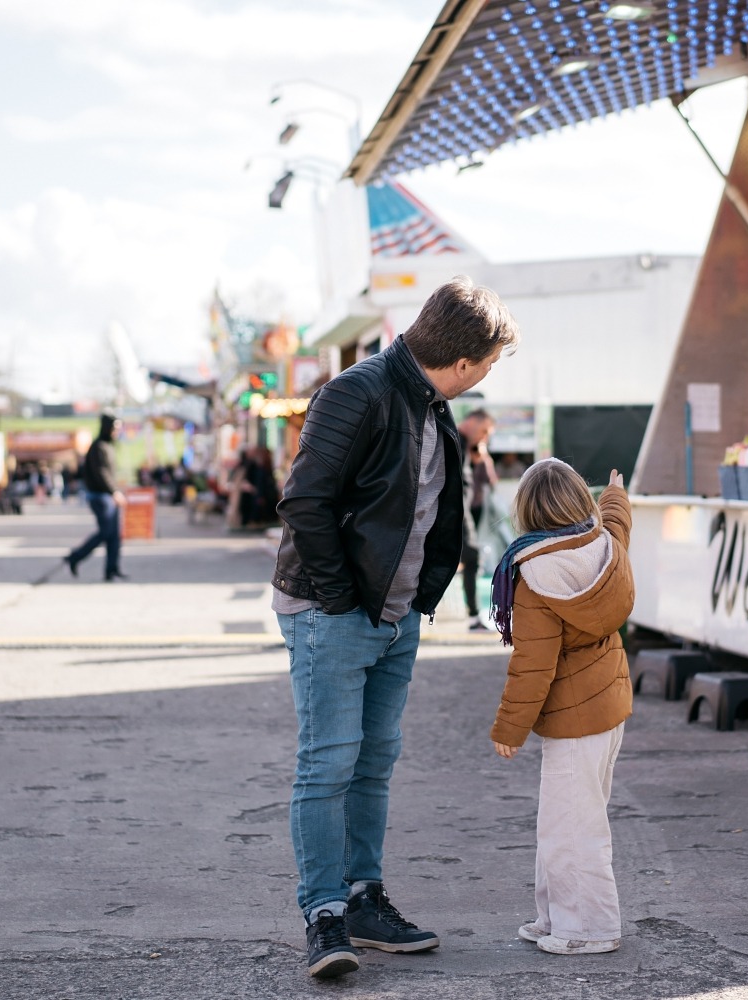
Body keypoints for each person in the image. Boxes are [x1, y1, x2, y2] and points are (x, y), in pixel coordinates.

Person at [271, 276, 519, 979]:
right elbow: (304, 503)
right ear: (467, 361)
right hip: (334, 613)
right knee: (327, 763)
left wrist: (413, 605)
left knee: (374, 761)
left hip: (396, 615)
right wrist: (345, 600)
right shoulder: (358, 391)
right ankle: (324, 915)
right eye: (492, 364)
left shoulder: (429, 402)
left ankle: (362, 899)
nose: (488, 378)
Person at [489, 462, 635, 957]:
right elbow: (617, 522)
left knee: (573, 827)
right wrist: (615, 494)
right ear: (580, 503)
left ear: (527, 511)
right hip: (608, 705)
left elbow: (533, 667)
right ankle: (555, 915)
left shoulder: (535, 577)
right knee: (569, 820)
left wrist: (511, 727)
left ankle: (588, 928)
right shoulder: (604, 547)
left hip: (574, 717)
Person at [64, 413, 126, 582]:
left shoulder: (107, 446)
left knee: (114, 535)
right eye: (115, 428)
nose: (117, 432)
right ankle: (75, 556)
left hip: (107, 496)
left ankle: (111, 569)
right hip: (100, 496)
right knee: (106, 532)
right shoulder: (98, 447)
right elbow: (102, 474)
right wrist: (114, 491)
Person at [456, 409, 497, 629]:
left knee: (470, 558)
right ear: (471, 422)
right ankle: (472, 616)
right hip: (457, 511)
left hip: (463, 510)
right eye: (483, 431)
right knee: (472, 557)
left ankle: (473, 615)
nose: (484, 437)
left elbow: (491, 481)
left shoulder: (465, 444)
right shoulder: (456, 438)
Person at [238, 445, 279, 528]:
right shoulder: (257, 467)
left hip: (262, 494)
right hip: (260, 494)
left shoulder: (258, 466)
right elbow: (260, 483)